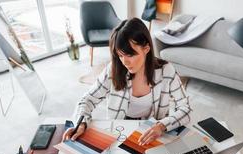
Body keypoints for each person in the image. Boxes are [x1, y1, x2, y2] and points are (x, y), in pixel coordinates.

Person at [63, 18, 191, 145]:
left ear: (146, 48)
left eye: (130, 55)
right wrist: (81, 124)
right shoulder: (113, 69)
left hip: (152, 133)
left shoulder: (166, 71)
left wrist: (162, 125)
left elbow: (186, 108)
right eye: (120, 55)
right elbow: (87, 100)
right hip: (119, 132)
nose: (124, 62)